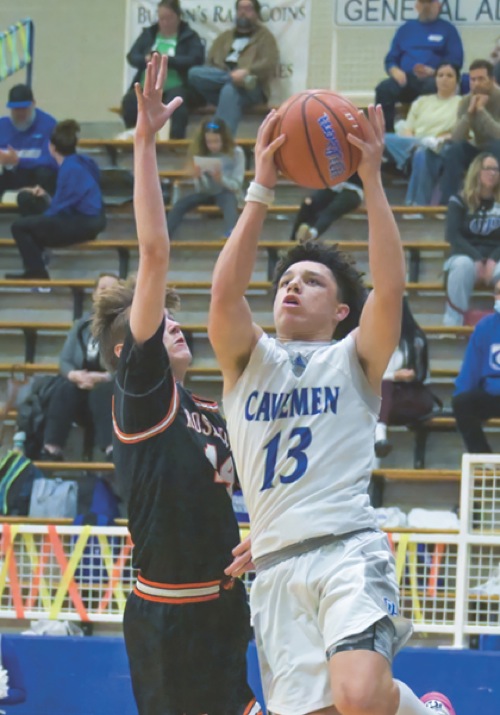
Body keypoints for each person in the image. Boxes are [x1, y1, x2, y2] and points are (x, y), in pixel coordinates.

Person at [208, 106, 456, 715]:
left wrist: (371, 179)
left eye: (312, 281)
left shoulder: (355, 359)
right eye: (286, 280)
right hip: (275, 565)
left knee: (360, 694)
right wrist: (260, 187)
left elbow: (390, 290)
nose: (292, 286)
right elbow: (224, 292)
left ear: (342, 311)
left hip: (347, 548)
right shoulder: (246, 358)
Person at [91, 54, 261, 715]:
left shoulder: (209, 412)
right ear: (125, 350)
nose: (175, 325)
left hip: (224, 608)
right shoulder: (141, 395)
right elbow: (155, 253)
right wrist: (144, 142)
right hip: (169, 621)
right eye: (160, 321)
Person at [5, 119, 106, 280]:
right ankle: (37, 256)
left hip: (84, 222)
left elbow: (59, 209)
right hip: (92, 218)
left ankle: (37, 271)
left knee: (19, 227)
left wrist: (40, 220)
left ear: (51, 147)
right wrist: (45, 196)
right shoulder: (83, 161)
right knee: (26, 199)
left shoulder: (69, 169)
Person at [39, 273, 119, 462]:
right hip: (81, 389)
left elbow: (130, 365)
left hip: (111, 390)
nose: (107, 293)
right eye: (103, 289)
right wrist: (74, 375)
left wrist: (105, 377)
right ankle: (51, 449)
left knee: (103, 391)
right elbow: (65, 360)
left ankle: (111, 450)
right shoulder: (81, 325)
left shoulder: (125, 325)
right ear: (94, 294)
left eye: (114, 290)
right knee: (64, 387)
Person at [187, 0, 279, 135]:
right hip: (221, 83)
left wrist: (247, 71)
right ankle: (230, 79)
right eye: (240, 9)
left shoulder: (265, 37)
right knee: (194, 73)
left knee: (230, 90)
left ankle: (219, 141)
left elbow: (269, 64)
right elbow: (210, 62)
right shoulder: (225, 37)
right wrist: (230, 76)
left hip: (251, 87)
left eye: (248, 9)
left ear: (256, 14)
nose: (243, 13)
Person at [375, 0, 463, 133]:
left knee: (434, 86)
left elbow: (456, 60)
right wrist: (395, 70)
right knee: (383, 89)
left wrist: (436, 72)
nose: (426, 6)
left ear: (438, 6)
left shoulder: (448, 30)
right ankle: (385, 134)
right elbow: (391, 59)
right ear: (417, 6)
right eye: (423, 2)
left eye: (430, 3)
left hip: (433, 79)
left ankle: (427, 132)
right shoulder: (405, 29)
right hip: (406, 79)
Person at [121, 0, 204, 139]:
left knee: (176, 103)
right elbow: (132, 56)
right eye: (161, 18)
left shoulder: (189, 36)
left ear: (178, 17)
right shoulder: (149, 34)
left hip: (177, 86)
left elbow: (196, 59)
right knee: (130, 101)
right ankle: (137, 139)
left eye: (169, 18)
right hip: (148, 87)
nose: (165, 22)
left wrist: (166, 60)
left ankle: (174, 142)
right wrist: (146, 59)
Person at [383, 63, 461, 206]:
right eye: (440, 75)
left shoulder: (461, 103)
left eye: (449, 76)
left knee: (423, 153)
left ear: (457, 80)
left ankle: (416, 205)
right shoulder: (421, 102)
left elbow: (462, 134)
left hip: (440, 148)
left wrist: (439, 139)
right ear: (435, 79)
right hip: (413, 144)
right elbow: (408, 130)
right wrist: (416, 142)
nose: (444, 79)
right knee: (381, 139)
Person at [443, 152, 500, 326]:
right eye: (488, 168)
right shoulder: (459, 200)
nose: (493, 173)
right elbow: (452, 235)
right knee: (461, 266)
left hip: (496, 260)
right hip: (465, 256)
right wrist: (476, 258)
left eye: (496, 169)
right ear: (477, 171)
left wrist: (493, 259)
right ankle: (452, 325)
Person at [167, 116, 244, 238]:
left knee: (230, 203)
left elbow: (237, 185)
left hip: (227, 192)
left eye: (216, 141)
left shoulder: (236, 153)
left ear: (224, 139)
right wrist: (198, 177)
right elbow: (201, 189)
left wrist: (221, 180)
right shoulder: (201, 153)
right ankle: (165, 235)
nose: (213, 145)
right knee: (180, 204)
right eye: (209, 142)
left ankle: (232, 236)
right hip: (207, 192)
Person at [375, 298, 433, 458]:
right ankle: (379, 438)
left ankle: (379, 434)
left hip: (413, 397)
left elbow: (421, 375)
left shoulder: (416, 340)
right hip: (385, 400)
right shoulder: (375, 337)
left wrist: (396, 376)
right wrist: (395, 375)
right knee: (383, 386)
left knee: (384, 385)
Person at [440, 59, 500, 204]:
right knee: (454, 149)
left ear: (492, 80)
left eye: (481, 79)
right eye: (473, 80)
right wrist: (469, 113)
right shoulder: (466, 101)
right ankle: (450, 203)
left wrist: (481, 111)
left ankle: (495, 202)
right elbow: (455, 137)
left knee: (497, 146)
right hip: (478, 149)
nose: (476, 84)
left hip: (496, 149)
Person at [452, 278, 500, 453]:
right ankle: (484, 460)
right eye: (498, 292)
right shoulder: (485, 327)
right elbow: (470, 370)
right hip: (492, 393)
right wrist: (460, 396)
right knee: (462, 403)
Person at [0, 84, 57, 199]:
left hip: (36, 179)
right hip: (11, 177)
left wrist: (18, 161)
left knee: (44, 173)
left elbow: (51, 161)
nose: (20, 113)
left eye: (24, 108)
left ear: (33, 104)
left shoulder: (48, 125)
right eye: (16, 109)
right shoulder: (3, 126)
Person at [290, 174, 363, 242]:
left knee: (332, 209)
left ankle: (310, 235)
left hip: (354, 189)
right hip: (334, 185)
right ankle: (294, 239)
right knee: (308, 202)